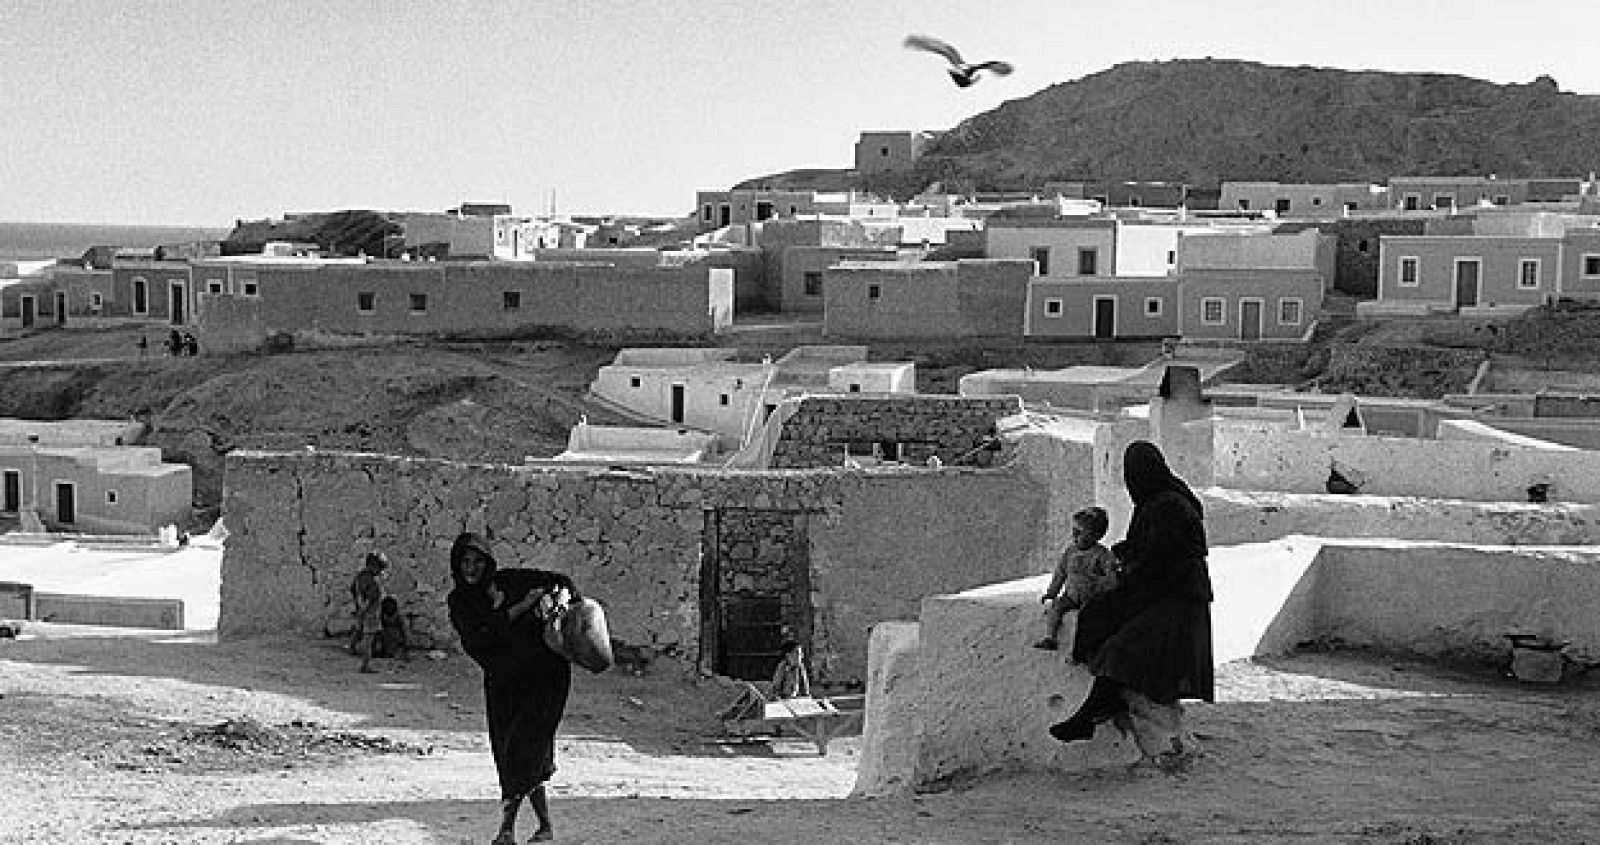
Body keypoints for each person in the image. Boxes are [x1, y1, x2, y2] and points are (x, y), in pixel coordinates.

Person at [1050, 440, 1214, 772]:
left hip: (1179, 600)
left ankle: (1089, 715)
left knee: (1122, 647)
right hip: (1162, 591)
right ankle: (1097, 707)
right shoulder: (1160, 500)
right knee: (1099, 614)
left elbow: (1164, 561)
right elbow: (1146, 549)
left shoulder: (1168, 506)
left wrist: (1130, 567)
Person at [448, 531, 577, 844]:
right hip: (504, 683)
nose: (471, 568)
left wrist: (570, 604)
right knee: (515, 755)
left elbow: (560, 580)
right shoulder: (461, 602)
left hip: (544, 678)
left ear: (488, 561)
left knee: (524, 749)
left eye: (478, 561)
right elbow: (483, 636)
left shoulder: (511, 581)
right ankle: (544, 827)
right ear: (456, 564)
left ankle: (506, 831)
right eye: (465, 561)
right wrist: (523, 607)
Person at [1033, 505, 1119, 651]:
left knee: (1088, 618)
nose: (1074, 534)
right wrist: (1052, 592)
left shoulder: (1102, 555)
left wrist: (1099, 583)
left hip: (1090, 596)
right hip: (1071, 595)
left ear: (1095, 535)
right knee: (1056, 608)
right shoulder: (1070, 552)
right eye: (1074, 530)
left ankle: (1083, 648)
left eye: (1079, 532)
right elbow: (1061, 572)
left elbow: (1112, 579)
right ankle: (1050, 637)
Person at [719, 639, 811, 722]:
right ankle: (730, 711)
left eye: (800, 654)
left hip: (786, 700)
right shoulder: (783, 667)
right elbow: (776, 687)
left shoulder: (799, 668)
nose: (801, 656)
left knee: (754, 691)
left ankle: (730, 712)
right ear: (788, 655)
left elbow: (804, 690)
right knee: (751, 689)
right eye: (797, 653)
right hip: (776, 696)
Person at [349, 552, 388, 673]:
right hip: (369, 613)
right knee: (368, 639)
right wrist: (364, 610)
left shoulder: (359, 577)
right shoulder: (372, 583)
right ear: (374, 566)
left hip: (360, 609)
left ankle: (352, 648)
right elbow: (370, 600)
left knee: (358, 631)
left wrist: (359, 607)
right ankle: (365, 665)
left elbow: (353, 590)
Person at [375, 596, 411, 661]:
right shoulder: (382, 615)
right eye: (387, 607)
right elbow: (379, 630)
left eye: (390, 607)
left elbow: (405, 631)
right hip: (385, 638)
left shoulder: (399, 616)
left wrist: (406, 644)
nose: (389, 609)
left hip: (396, 640)